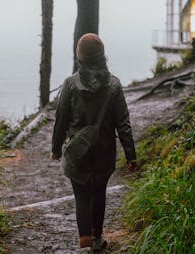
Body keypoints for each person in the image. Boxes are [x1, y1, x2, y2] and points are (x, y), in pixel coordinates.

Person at [51, 33, 137, 253]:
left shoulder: (70, 84)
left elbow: (60, 120)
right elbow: (123, 123)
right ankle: (97, 239)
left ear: (79, 55)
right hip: (104, 152)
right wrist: (131, 155)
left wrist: (56, 149)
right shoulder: (115, 86)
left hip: (77, 153)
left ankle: (84, 241)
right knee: (99, 194)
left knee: (81, 195)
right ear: (102, 55)